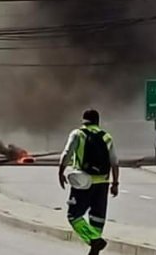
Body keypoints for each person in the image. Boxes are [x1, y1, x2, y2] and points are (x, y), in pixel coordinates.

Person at [58, 109, 119, 255]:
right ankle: (95, 248)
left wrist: (60, 172)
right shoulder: (107, 137)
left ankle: (94, 241)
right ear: (98, 121)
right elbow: (115, 163)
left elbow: (67, 153)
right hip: (102, 183)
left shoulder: (77, 134)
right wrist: (115, 183)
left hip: (82, 182)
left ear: (83, 120)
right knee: (97, 218)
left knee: (73, 216)